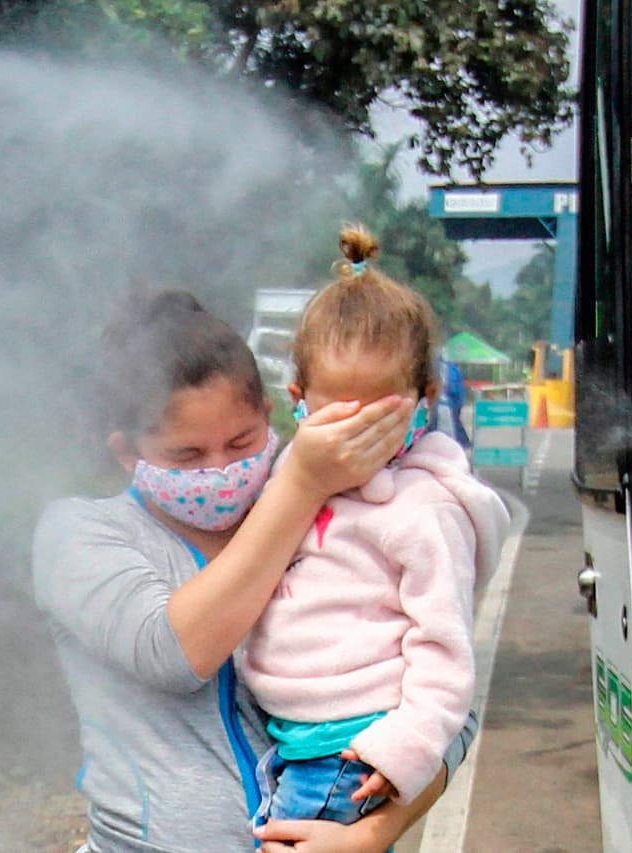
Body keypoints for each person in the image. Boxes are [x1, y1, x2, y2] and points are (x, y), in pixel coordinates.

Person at [32, 287, 478, 852]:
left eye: (242, 441)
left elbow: (449, 706)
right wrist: (301, 485)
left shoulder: (333, 520)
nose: (220, 469)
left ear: (271, 416)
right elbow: (172, 655)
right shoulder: (78, 535)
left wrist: (371, 835)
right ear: (128, 452)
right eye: (187, 456)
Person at [237, 226, 509, 830]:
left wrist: (408, 746)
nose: (356, 431)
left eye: (380, 411)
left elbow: (445, 647)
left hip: (349, 752)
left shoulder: (423, 511)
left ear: (425, 396)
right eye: (338, 411)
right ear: (299, 397)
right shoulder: (293, 475)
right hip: (293, 744)